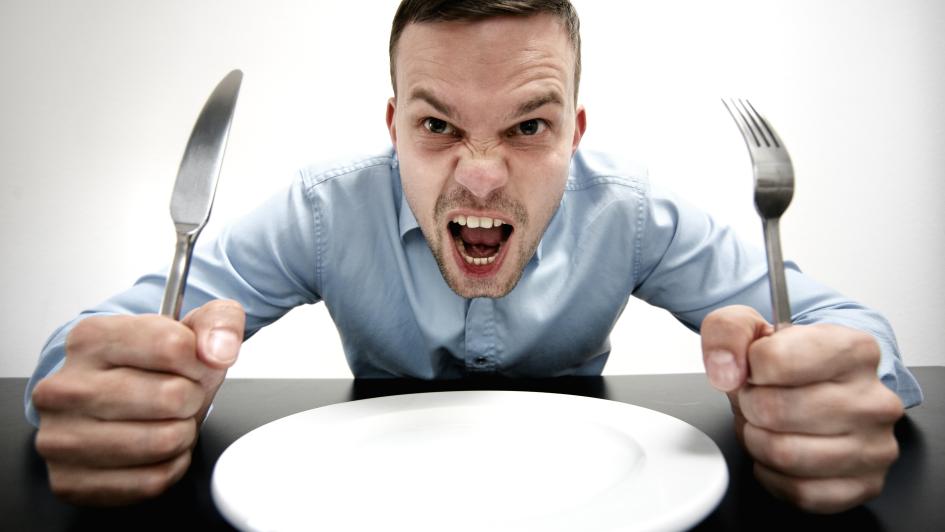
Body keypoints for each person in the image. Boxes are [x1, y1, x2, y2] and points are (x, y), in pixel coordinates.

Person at [25, 0, 922, 514]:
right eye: (438, 125)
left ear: (574, 133)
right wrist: (112, 395)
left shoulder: (634, 212)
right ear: (394, 129)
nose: (482, 178)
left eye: (528, 125)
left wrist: (821, 392)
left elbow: (856, 338)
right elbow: (79, 352)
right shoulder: (323, 211)